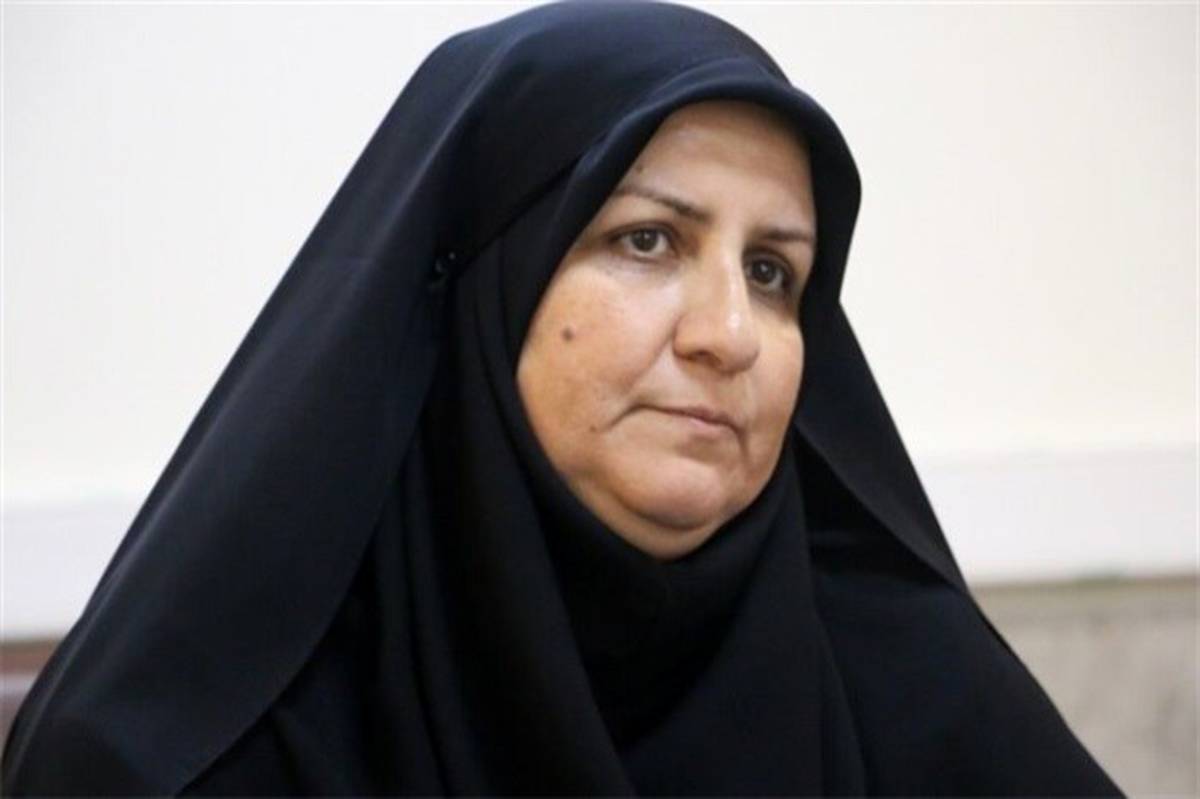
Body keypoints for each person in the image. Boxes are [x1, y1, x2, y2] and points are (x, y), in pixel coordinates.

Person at [2, 2, 1121, 795]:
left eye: (773, 272)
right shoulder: (198, 758)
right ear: (482, 288)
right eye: (648, 240)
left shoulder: (914, 696)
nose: (730, 334)